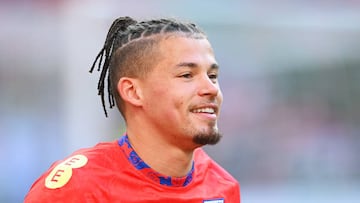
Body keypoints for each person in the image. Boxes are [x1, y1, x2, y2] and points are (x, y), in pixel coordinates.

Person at [25, 16, 240, 202]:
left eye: (212, 76)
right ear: (133, 92)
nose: (211, 89)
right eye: (186, 75)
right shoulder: (74, 190)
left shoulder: (222, 186)